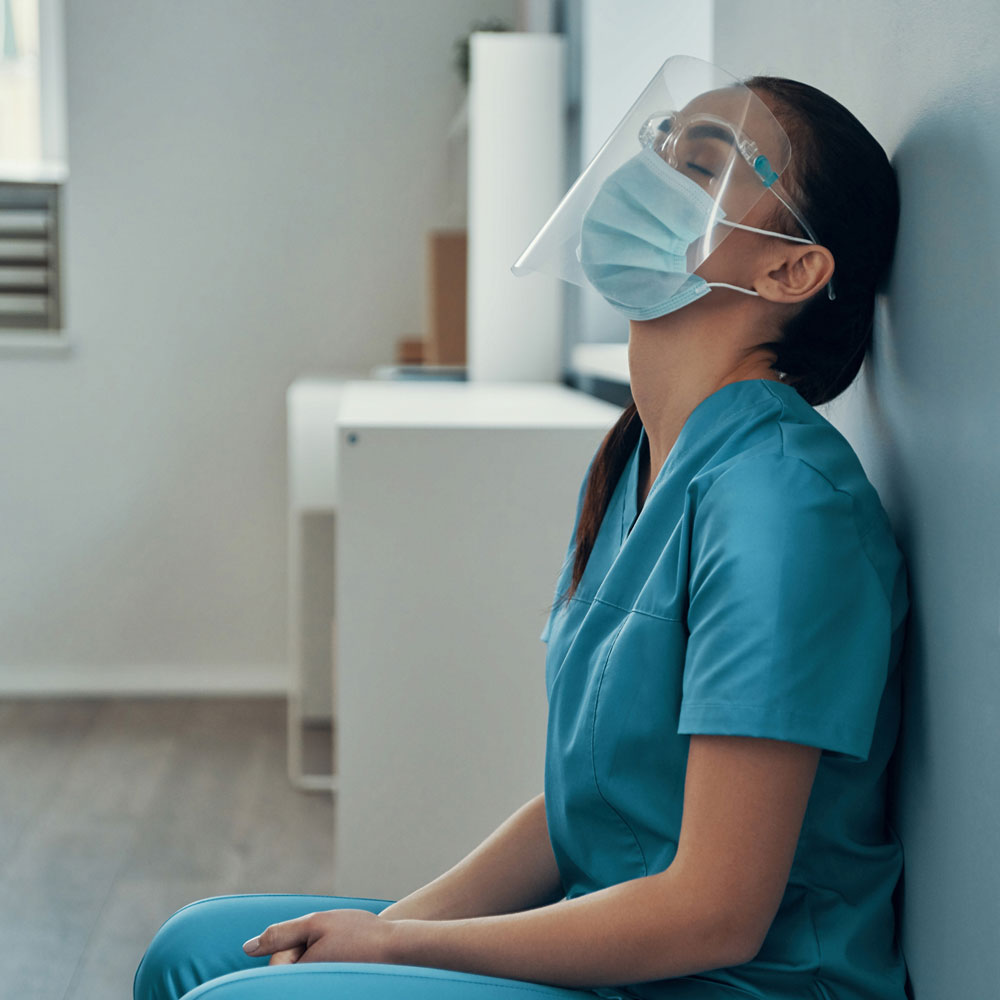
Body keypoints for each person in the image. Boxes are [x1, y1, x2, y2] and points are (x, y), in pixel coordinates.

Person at [134, 55, 907, 1000]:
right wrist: (388, 925)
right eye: (659, 145)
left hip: (734, 982)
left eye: (699, 166)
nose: (649, 176)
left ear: (791, 269)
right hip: (616, 939)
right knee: (192, 949)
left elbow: (715, 910)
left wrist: (395, 951)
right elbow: (588, 803)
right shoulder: (639, 463)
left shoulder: (785, 508)